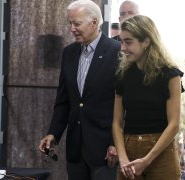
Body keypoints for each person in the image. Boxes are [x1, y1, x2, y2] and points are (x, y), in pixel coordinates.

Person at [38, 0, 121, 179]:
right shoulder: (69, 53)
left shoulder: (117, 51)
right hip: (75, 150)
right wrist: (53, 133)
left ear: (94, 22)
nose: (72, 29)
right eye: (70, 23)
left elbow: (124, 104)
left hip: (105, 151)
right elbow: (64, 100)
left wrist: (116, 143)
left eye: (76, 23)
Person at [112, 15, 183, 180]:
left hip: (161, 151)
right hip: (128, 149)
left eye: (128, 42)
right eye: (121, 41)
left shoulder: (170, 74)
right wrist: (122, 158)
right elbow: (116, 122)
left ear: (146, 41)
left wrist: (147, 160)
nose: (122, 47)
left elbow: (174, 124)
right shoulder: (122, 74)